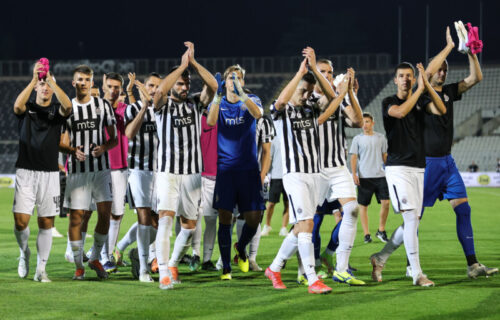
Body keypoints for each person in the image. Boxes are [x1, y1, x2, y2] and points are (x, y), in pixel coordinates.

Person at [372, 27, 497, 280]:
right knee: (413, 219)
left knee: (464, 210)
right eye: (440, 68)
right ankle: (392, 259)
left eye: (446, 70)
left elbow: (475, 79)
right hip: (425, 164)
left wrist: (471, 53)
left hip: (447, 163)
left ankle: (472, 264)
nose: (443, 72)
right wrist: (449, 46)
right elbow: (427, 72)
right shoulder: (420, 92)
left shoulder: (449, 92)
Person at [265, 51, 349, 294]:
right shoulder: (281, 111)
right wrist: (300, 73)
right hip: (295, 176)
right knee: (307, 224)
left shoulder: (312, 106)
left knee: (300, 228)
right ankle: (312, 278)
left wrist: (313, 68)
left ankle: (275, 267)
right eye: (301, 90)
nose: (305, 94)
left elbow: (333, 96)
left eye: (308, 91)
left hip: (315, 175)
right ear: (292, 89)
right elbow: (280, 102)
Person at [370, 60, 447, 287]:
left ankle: (380, 257)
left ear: (414, 80)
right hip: (397, 168)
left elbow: (441, 109)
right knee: (411, 218)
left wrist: (427, 87)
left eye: (409, 76)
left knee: (412, 222)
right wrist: (420, 90)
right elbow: (402, 112)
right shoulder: (388, 102)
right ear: (395, 80)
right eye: (401, 76)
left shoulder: (422, 101)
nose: (405, 79)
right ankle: (417, 274)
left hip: (418, 167)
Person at [153, 42, 217, 289]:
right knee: (166, 219)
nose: (184, 87)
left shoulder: (194, 103)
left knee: (189, 228)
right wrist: (180, 67)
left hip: (192, 173)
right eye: (180, 83)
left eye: (186, 83)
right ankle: (163, 274)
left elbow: (213, 86)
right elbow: (159, 92)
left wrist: (193, 64)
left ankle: (171, 263)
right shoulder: (162, 106)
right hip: (168, 171)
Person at [306, 55, 364, 286]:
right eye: (322, 72)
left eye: (330, 72)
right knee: (310, 223)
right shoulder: (306, 99)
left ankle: (341, 268)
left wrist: (350, 94)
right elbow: (317, 121)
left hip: (338, 166)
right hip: (314, 169)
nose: (327, 76)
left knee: (351, 211)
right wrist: (341, 94)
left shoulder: (339, 100)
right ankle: (308, 267)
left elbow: (358, 121)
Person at [12, 61, 72, 282]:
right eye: (42, 85)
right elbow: (17, 106)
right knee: (21, 222)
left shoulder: (57, 112)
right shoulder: (26, 108)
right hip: (26, 171)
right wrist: (33, 80)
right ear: (36, 87)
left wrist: (53, 83)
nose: (45, 87)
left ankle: (41, 270)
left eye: (48, 85)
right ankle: (24, 252)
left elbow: (69, 108)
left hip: (49, 174)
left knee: (46, 223)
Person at [207, 64, 265, 280]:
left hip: (249, 170)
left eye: (238, 77)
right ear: (225, 82)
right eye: (230, 78)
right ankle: (226, 269)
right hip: (226, 171)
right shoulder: (219, 102)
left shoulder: (252, 100)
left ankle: (240, 248)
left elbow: (258, 114)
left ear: (243, 81)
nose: (233, 80)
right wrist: (216, 95)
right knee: (225, 217)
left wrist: (242, 95)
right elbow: (211, 121)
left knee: (254, 219)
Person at [60, 64, 117, 280]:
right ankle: (78, 266)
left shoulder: (103, 106)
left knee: (105, 214)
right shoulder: (68, 109)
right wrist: (72, 150)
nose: (83, 83)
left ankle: (94, 257)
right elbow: (61, 143)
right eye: (80, 80)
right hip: (77, 172)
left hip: (101, 170)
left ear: (92, 83)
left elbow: (114, 139)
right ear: (74, 83)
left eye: (87, 79)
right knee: (76, 217)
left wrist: (104, 147)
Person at [123, 72, 162, 282]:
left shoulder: (165, 109)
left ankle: (137, 253)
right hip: (138, 170)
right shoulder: (133, 108)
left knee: (160, 222)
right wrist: (144, 107)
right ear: (144, 88)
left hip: (161, 171)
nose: (153, 89)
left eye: (157, 86)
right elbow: (129, 134)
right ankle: (144, 270)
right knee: (144, 217)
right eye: (150, 85)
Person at [99, 72, 129, 273]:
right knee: (97, 213)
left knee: (117, 214)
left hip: (121, 168)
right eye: (110, 86)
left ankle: (108, 255)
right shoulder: (95, 109)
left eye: (117, 87)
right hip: (100, 167)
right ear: (104, 87)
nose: (113, 90)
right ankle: (96, 255)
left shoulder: (126, 110)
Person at [350, 112, 390, 243]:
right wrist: (354, 174)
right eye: (363, 122)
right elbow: (354, 157)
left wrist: (390, 169)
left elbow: (385, 156)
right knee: (363, 206)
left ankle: (381, 230)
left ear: (373, 123)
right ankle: (366, 234)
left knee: (386, 203)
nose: (365, 124)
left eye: (367, 121)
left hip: (380, 176)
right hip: (364, 177)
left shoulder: (381, 138)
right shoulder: (357, 139)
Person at [262, 134, 289, 237]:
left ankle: (283, 228)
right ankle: (267, 225)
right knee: (271, 203)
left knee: (288, 204)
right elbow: (269, 157)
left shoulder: (291, 138)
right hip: (276, 176)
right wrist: (266, 174)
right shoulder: (274, 140)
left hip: (289, 176)